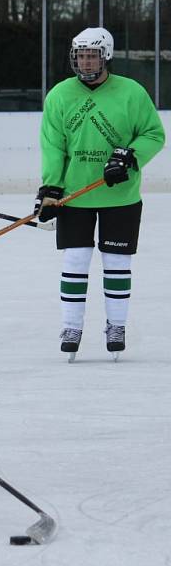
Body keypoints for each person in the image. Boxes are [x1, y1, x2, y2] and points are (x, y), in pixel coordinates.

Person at [34, 27, 165, 361]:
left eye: (91, 54)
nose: (85, 61)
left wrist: (129, 157)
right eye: (80, 55)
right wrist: (50, 188)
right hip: (75, 196)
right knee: (75, 261)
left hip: (120, 196)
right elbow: (53, 146)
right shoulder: (60, 95)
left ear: (105, 56)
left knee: (117, 262)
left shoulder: (131, 92)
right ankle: (71, 326)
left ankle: (116, 325)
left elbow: (153, 133)